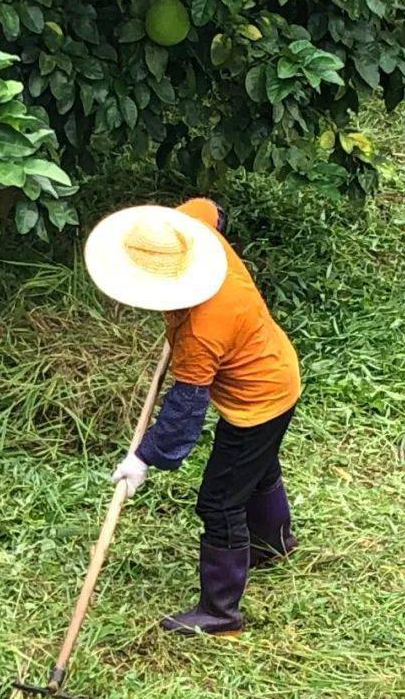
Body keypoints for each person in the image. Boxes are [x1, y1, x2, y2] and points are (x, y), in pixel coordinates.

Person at [83, 199, 301, 635]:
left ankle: (220, 612)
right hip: (279, 366)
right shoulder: (188, 231)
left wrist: (142, 459)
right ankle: (274, 543)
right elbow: (213, 208)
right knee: (256, 468)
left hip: (258, 398)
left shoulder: (203, 331)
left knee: (220, 501)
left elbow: (184, 413)